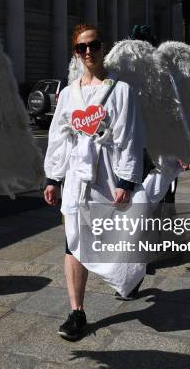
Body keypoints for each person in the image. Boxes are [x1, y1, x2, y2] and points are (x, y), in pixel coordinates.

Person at [44, 24, 147, 341]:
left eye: (94, 45)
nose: (88, 52)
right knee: (73, 240)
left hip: (108, 175)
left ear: (103, 49)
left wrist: (127, 181)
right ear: (75, 52)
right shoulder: (68, 94)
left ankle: (127, 276)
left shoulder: (121, 90)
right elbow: (58, 137)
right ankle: (77, 312)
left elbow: (130, 137)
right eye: (81, 47)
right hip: (77, 178)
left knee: (117, 237)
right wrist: (53, 177)